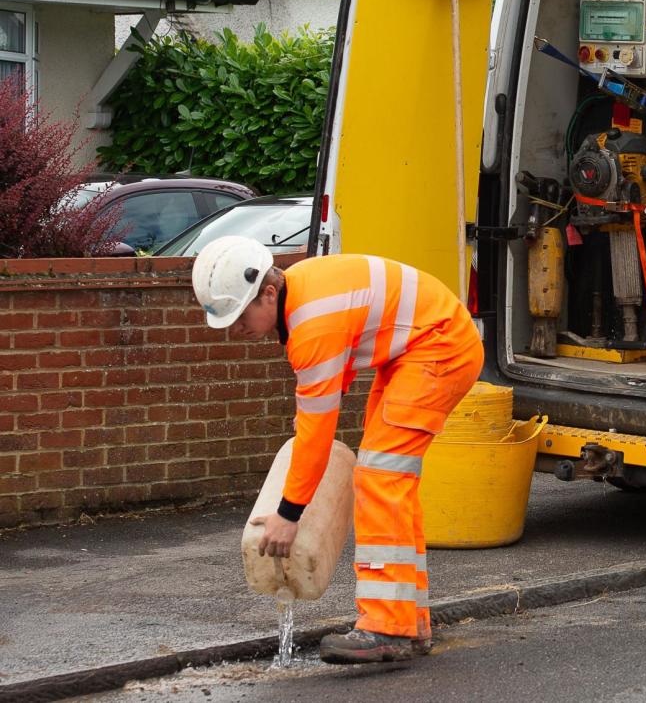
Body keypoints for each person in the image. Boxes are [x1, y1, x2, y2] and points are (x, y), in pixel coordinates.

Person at [192, 236, 483, 664]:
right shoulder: (303, 295)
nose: (237, 330)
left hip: (439, 348)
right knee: (387, 478)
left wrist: (289, 513)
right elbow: (326, 394)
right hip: (420, 348)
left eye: (240, 316)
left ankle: (388, 626)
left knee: (381, 476)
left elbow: (316, 429)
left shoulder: (311, 323)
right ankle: (409, 621)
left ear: (269, 292)